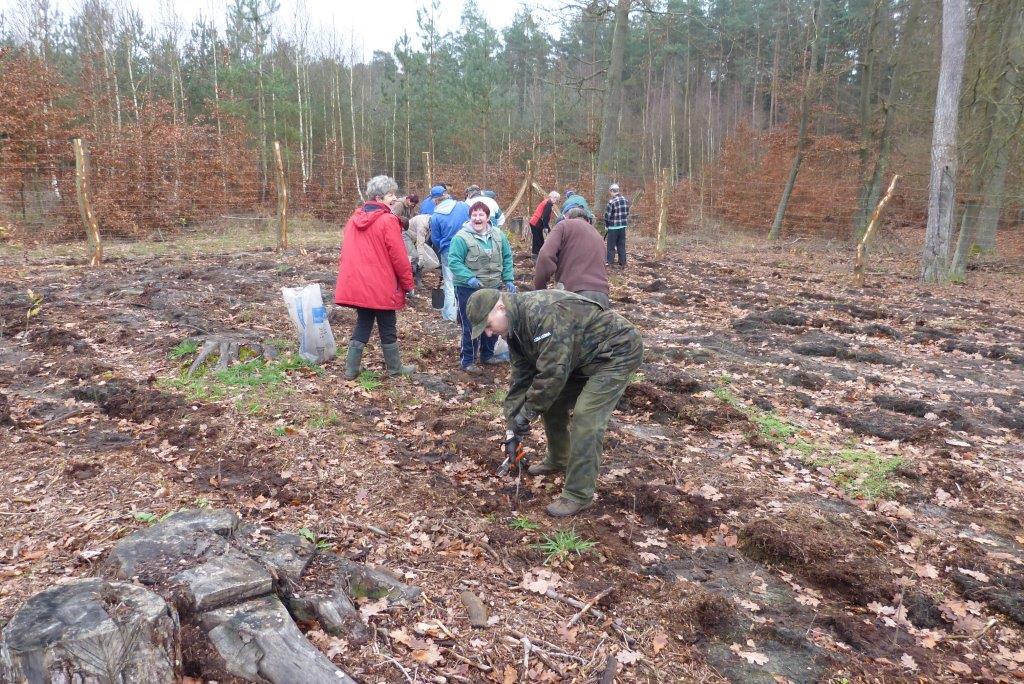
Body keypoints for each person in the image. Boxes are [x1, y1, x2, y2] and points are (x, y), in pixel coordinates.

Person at [465, 288, 643, 516]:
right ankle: (560, 458)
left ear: (500, 308)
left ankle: (578, 494)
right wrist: (512, 428)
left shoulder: (543, 314)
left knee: (586, 416)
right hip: (580, 357)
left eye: (488, 325)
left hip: (616, 352)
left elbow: (552, 374)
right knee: (552, 402)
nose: (489, 334)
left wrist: (526, 415)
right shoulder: (516, 328)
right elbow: (521, 379)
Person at [335, 175, 416, 380]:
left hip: (360, 284)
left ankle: (351, 369)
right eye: (391, 194)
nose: (395, 198)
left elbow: (346, 253)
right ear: (379, 197)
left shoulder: (354, 219)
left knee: (363, 323)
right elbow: (399, 257)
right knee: (388, 325)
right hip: (382, 285)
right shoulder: (388, 220)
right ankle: (395, 369)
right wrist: (408, 284)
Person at [447, 200, 516, 372]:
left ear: (487, 217)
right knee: (470, 324)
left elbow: (507, 258)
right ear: (470, 218)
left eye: (481, 215)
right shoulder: (461, 238)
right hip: (468, 289)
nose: (477, 218)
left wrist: (508, 279)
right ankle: (468, 361)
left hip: (493, 287)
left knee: (493, 321)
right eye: (474, 215)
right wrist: (469, 277)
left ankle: (488, 354)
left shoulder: (499, 236)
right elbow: (454, 261)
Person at [534, 215, 610, 307]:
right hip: (602, 296)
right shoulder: (598, 235)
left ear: (567, 217)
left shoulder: (564, 225)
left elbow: (545, 255)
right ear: (588, 221)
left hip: (574, 295)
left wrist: (540, 289)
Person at [429, 191, 471, 321]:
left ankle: (450, 315)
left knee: (449, 282)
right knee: (467, 279)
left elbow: (435, 239)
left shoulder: (435, 216)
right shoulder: (464, 206)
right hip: (468, 247)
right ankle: (468, 312)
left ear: (436, 201)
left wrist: (442, 247)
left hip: (448, 250)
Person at [603, 183, 630, 269]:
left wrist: (606, 225)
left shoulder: (611, 202)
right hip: (623, 227)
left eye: (610, 191)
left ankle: (609, 261)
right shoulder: (626, 200)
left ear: (612, 191)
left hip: (613, 227)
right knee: (621, 245)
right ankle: (622, 262)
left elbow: (607, 215)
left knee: (611, 246)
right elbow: (627, 213)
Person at [528, 191, 560, 258]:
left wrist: (547, 227)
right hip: (536, 222)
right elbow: (545, 217)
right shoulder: (548, 204)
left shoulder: (547, 202)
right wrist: (546, 227)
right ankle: (537, 255)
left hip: (536, 222)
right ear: (554, 197)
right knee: (538, 239)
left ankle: (537, 253)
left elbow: (545, 217)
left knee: (538, 239)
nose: (556, 201)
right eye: (557, 199)